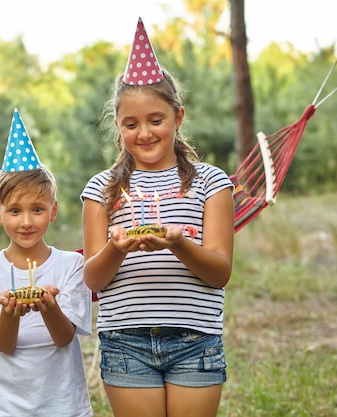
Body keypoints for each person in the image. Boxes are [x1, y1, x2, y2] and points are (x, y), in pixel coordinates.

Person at [81, 18, 235, 417]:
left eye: (156, 120)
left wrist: (179, 243)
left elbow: (219, 272)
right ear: (117, 125)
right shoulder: (100, 189)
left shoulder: (211, 183)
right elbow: (93, 279)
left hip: (196, 340)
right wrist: (116, 249)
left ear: (178, 117)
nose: (144, 133)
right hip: (125, 341)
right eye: (131, 124)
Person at [0, 108, 93, 417]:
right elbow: (5, 345)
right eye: (14, 211)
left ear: (52, 212)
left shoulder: (71, 266)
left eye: (37, 209)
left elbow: (64, 338)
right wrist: (9, 314)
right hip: (7, 408)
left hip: (64, 406)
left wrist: (49, 306)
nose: (26, 221)